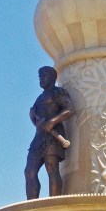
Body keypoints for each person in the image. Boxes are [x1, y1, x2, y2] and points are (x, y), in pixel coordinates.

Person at [24, 67, 74, 199]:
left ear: (52, 77)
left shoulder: (58, 92)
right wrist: (33, 118)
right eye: (39, 76)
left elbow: (69, 109)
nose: (40, 78)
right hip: (38, 138)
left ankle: (54, 203)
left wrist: (52, 121)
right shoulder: (39, 98)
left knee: (52, 169)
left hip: (53, 137)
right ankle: (32, 206)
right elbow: (36, 121)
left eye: (43, 75)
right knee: (29, 172)